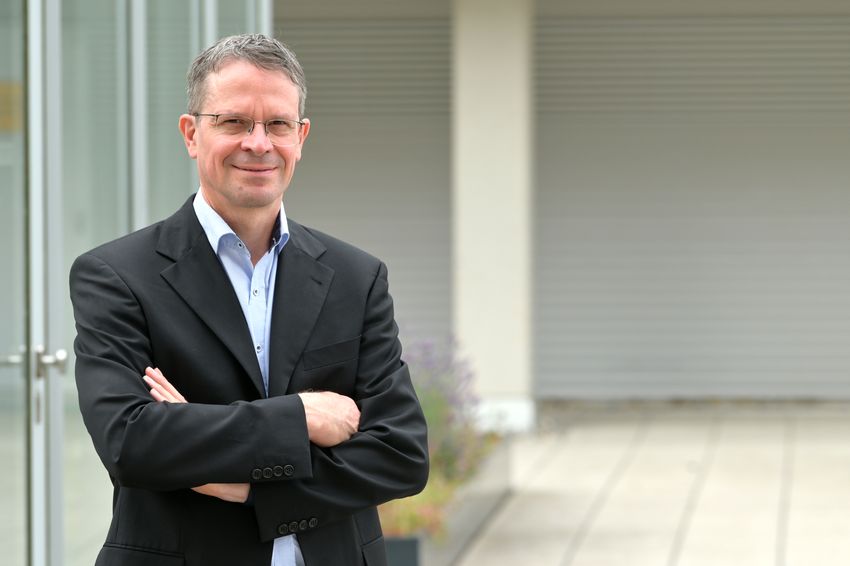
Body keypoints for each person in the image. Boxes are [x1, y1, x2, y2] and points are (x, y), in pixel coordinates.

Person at [69, 33, 428, 566]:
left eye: (278, 124)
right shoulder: (117, 276)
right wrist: (301, 415)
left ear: (300, 136)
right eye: (234, 121)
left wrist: (247, 487)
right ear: (192, 134)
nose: (258, 143)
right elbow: (132, 442)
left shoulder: (357, 277)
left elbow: (401, 454)